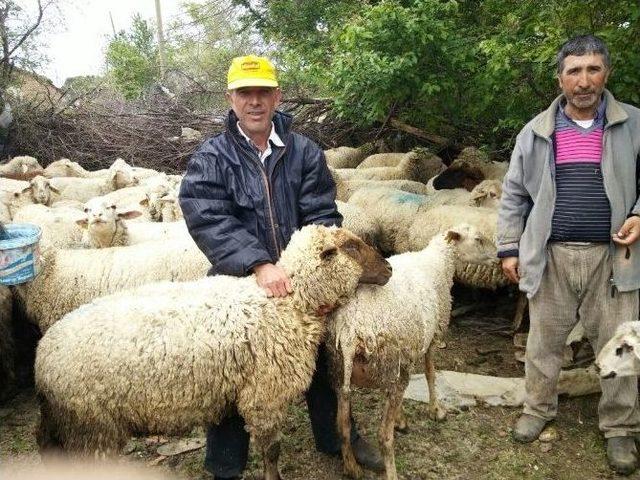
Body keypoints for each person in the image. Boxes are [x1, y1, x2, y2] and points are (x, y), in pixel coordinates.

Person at [178, 55, 383, 480]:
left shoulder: (303, 151)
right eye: (245, 93)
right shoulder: (212, 156)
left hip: (304, 284)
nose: (254, 102)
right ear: (231, 98)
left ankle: (339, 438)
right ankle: (225, 465)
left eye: (262, 92)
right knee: (231, 369)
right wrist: (258, 262)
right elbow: (206, 215)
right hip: (240, 284)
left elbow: (322, 216)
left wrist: (319, 285)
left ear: (277, 96)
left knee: (326, 359)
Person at [497, 35, 640, 475]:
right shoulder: (536, 131)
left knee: (621, 344)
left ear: (606, 74)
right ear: (561, 78)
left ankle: (620, 427)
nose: (584, 81)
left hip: (614, 258)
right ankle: (538, 410)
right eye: (574, 71)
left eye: (593, 69)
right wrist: (508, 247)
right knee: (544, 341)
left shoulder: (633, 123)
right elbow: (514, 194)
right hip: (551, 254)